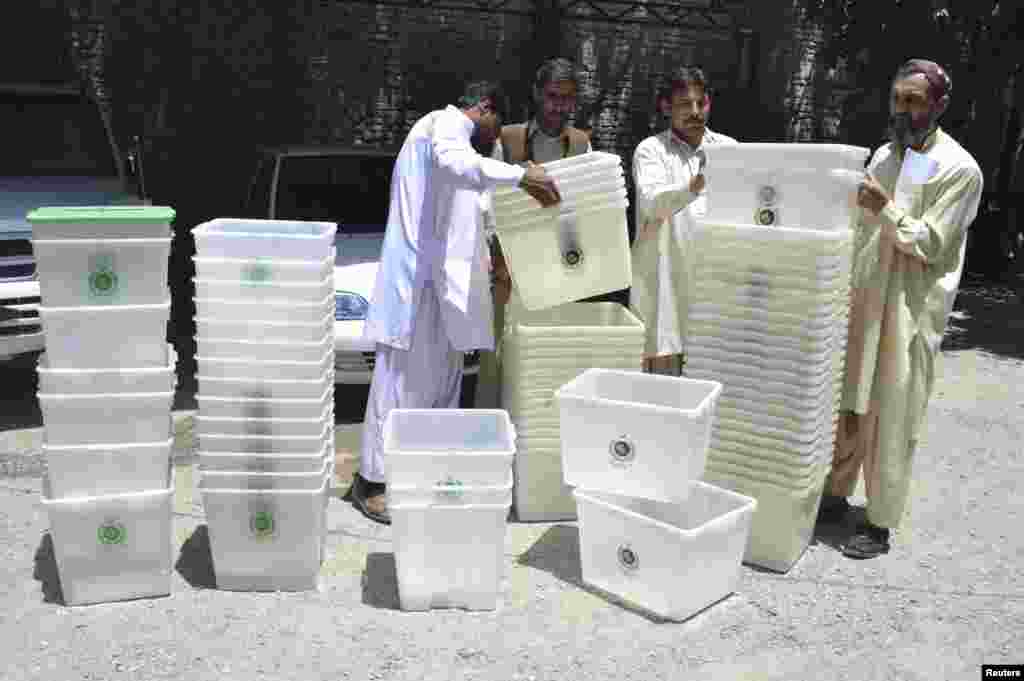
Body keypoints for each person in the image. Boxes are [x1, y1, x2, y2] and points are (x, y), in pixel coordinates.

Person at [348, 81, 562, 524]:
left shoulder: (463, 149)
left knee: (440, 388)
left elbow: (473, 202)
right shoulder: (443, 125)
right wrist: (523, 174)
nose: (496, 134)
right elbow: (457, 163)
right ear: (483, 108)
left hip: (439, 295)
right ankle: (371, 483)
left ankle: (421, 476)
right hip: (416, 292)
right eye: (496, 123)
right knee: (400, 388)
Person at [818, 59, 984, 559]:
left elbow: (931, 242)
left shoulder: (960, 169)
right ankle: (834, 494)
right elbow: (862, 227)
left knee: (893, 415)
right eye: (898, 99)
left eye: (914, 100)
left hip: (911, 311)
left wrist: (883, 206)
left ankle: (878, 521)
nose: (904, 109)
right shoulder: (885, 155)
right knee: (850, 403)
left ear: (939, 105)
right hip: (866, 299)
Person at [474, 57, 592, 410]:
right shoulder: (507, 139)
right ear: (537, 95)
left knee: (545, 360)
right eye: (554, 96)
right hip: (508, 271)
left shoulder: (583, 144)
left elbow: (586, 209)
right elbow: (487, 204)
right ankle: (490, 437)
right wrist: (490, 259)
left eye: (567, 98)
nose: (560, 106)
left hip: (556, 272)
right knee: (497, 359)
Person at [629, 66, 738, 376]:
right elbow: (653, 204)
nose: (694, 112)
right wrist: (696, 184)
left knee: (712, 388)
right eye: (684, 105)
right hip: (666, 294)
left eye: (700, 104)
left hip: (714, 289)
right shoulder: (651, 151)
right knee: (660, 394)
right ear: (665, 107)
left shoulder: (730, 150)